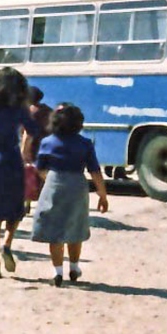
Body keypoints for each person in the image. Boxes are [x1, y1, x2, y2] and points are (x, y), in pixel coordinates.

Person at [28, 102, 109, 284]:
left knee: (55, 228)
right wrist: (102, 195)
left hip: (54, 183)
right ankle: (74, 267)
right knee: (75, 226)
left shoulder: (47, 142)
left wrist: (50, 179)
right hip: (77, 184)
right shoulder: (85, 143)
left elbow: (40, 168)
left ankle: (57, 272)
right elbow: (95, 170)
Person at [0, 67, 42, 277]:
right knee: (15, 207)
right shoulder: (19, 109)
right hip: (12, 159)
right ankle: (7, 243)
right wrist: (25, 150)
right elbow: (33, 130)